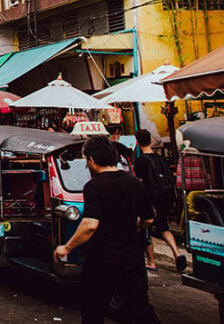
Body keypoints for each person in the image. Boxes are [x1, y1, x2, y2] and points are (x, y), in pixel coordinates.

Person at [54, 136, 159, 324]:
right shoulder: (135, 183)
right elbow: (149, 218)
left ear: (91, 160)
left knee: (93, 311)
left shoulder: (94, 187)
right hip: (131, 258)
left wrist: (67, 248)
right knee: (140, 309)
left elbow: (90, 225)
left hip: (101, 259)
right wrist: (136, 227)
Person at [133, 129, 186, 272]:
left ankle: (151, 261)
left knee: (145, 230)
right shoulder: (160, 158)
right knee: (163, 227)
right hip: (165, 198)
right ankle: (177, 253)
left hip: (150, 200)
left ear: (137, 143)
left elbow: (139, 183)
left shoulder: (140, 162)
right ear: (151, 141)